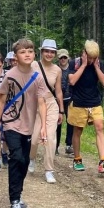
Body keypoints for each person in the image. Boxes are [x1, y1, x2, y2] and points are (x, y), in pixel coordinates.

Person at [0, 39, 47, 208]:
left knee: (24, 161)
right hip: (11, 123)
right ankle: (14, 201)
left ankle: (19, 193)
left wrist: (43, 126)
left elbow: (42, 102)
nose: (27, 54)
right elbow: (1, 101)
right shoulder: (10, 76)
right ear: (16, 57)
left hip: (28, 126)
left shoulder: (38, 77)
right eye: (23, 52)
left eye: (30, 51)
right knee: (16, 158)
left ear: (34, 54)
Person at [68, 40, 104, 174]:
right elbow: (72, 81)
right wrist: (83, 65)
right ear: (84, 53)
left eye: (94, 58)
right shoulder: (74, 63)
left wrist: (96, 67)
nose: (91, 60)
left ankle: (103, 161)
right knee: (78, 131)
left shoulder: (98, 64)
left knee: (100, 128)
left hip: (95, 101)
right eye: (89, 57)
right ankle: (77, 159)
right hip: (78, 102)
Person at [29, 40, 64, 183]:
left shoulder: (57, 70)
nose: (49, 54)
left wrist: (61, 110)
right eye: (46, 51)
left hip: (51, 104)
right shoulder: (33, 65)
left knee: (50, 137)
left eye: (52, 52)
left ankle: (49, 170)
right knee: (34, 138)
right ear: (42, 52)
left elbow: (59, 91)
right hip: (35, 105)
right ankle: (31, 158)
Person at [56, 48, 74, 156]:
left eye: (65, 57)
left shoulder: (72, 69)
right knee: (57, 123)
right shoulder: (55, 69)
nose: (63, 59)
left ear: (68, 58)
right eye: (61, 58)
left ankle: (69, 145)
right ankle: (56, 146)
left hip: (69, 99)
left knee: (70, 122)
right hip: (57, 100)